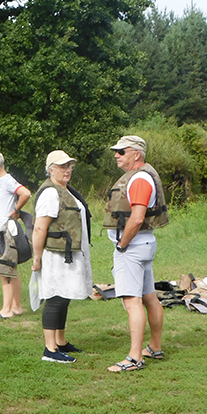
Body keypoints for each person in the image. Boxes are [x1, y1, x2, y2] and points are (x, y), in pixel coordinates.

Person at [104, 135, 169, 373]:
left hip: (133, 247)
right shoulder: (141, 176)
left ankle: (134, 358)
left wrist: (122, 245)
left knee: (132, 302)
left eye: (122, 151)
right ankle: (154, 347)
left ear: (137, 154)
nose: (116, 155)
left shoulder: (140, 179)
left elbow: (138, 217)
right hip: (143, 244)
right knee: (149, 297)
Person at [31, 151, 92, 363]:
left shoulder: (64, 190)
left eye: (69, 166)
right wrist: (37, 257)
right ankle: (50, 349)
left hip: (68, 253)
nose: (67, 170)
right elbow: (39, 228)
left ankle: (60, 341)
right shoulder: (50, 193)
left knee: (64, 297)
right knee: (55, 297)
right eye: (61, 166)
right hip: (55, 255)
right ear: (51, 169)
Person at [0, 150, 31, 319]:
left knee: (4, 268)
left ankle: (6, 310)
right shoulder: (1, 182)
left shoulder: (7, 180)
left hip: (5, 230)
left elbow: (25, 193)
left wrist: (16, 210)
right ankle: (16, 306)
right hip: (1, 229)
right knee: (12, 269)